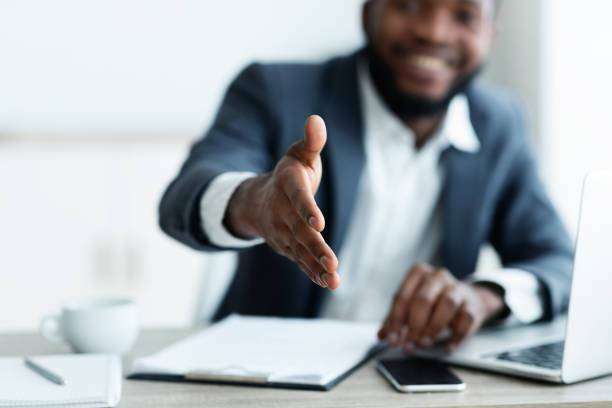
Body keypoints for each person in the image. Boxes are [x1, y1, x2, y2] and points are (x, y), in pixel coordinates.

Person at [159, 0, 573, 351]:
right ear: (368, 11)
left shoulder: (499, 124)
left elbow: (557, 261)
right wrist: (255, 202)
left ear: (490, 35)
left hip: (415, 377)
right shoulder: (276, 89)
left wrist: (483, 297)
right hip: (267, 375)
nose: (433, 32)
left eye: (463, 15)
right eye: (409, 4)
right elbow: (185, 196)